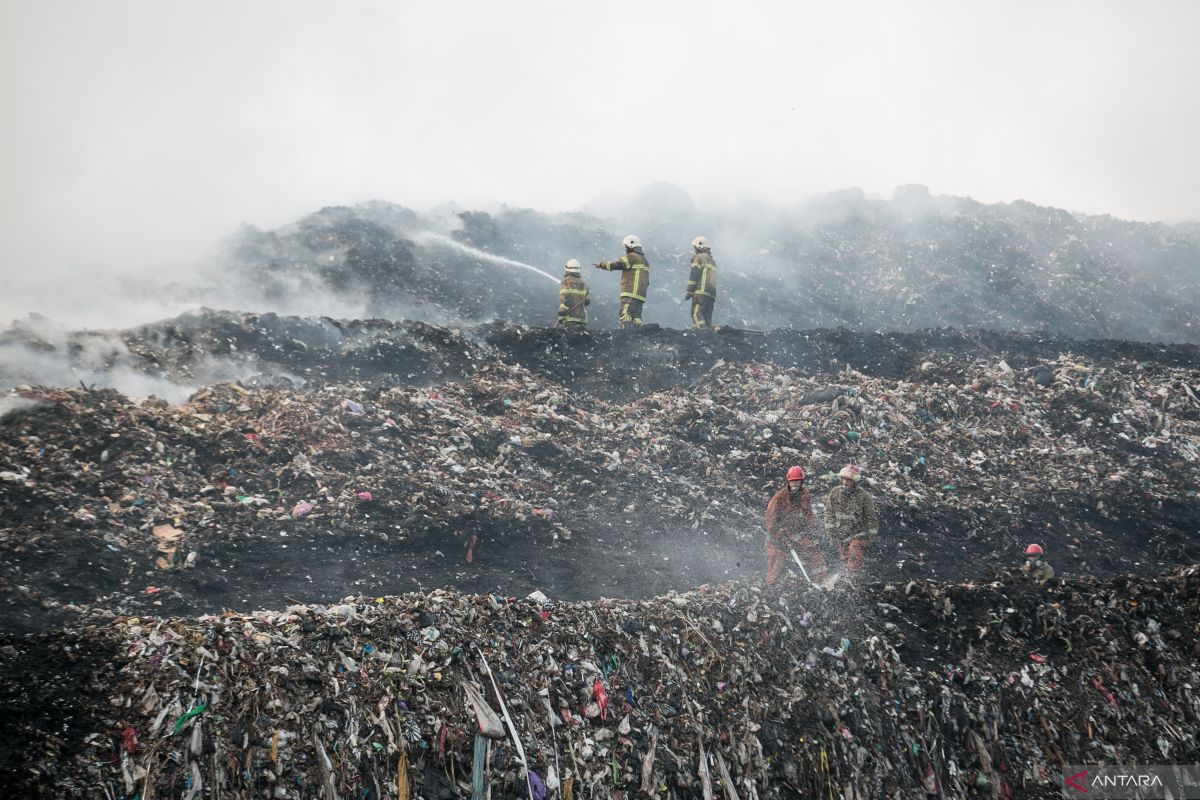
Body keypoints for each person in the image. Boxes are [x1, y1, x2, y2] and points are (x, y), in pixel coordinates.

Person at [764, 466, 821, 585]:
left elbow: (809, 515)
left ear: (802, 481)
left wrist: (811, 532)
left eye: (797, 481)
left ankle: (820, 581)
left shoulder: (805, 495)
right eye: (792, 481)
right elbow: (770, 520)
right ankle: (770, 585)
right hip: (777, 536)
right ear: (788, 481)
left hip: (795, 534)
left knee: (814, 551)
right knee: (777, 559)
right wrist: (779, 534)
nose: (795, 484)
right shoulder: (779, 497)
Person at [823, 465, 878, 573]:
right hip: (841, 534)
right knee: (844, 558)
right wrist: (831, 534)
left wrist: (870, 539)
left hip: (858, 535)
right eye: (843, 479)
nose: (845, 482)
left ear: (855, 482)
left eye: (848, 480)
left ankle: (852, 578)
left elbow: (871, 519)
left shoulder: (864, 496)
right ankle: (846, 580)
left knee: (854, 553)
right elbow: (829, 514)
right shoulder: (835, 493)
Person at [593, 235, 650, 328]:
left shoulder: (632, 257)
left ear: (630, 246)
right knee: (637, 316)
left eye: (626, 247)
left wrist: (601, 265)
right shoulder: (645, 261)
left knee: (625, 313)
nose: (625, 249)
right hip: (641, 295)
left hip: (630, 293)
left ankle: (626, 334)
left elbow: (618, 264)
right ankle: (637, 334)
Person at [685, 236, 717, 329]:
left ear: (699, 246)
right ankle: (709, 336)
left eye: (695, 247)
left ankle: (702, 334)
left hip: (701, 292)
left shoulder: (699, 257)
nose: (694, 249)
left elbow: (694, 275)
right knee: (707, 318)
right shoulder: (712, 260)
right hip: (711, 295)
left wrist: (689, 291)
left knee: (696, 314)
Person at [556, 259, 590, 327]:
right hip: (582, 319)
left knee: (569, 336)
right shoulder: (584, 284)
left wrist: (561, 314)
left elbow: (566, 299)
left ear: (567, 269)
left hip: (570, 318)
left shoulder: (565, 282)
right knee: (580, 337)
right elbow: (587, 302)